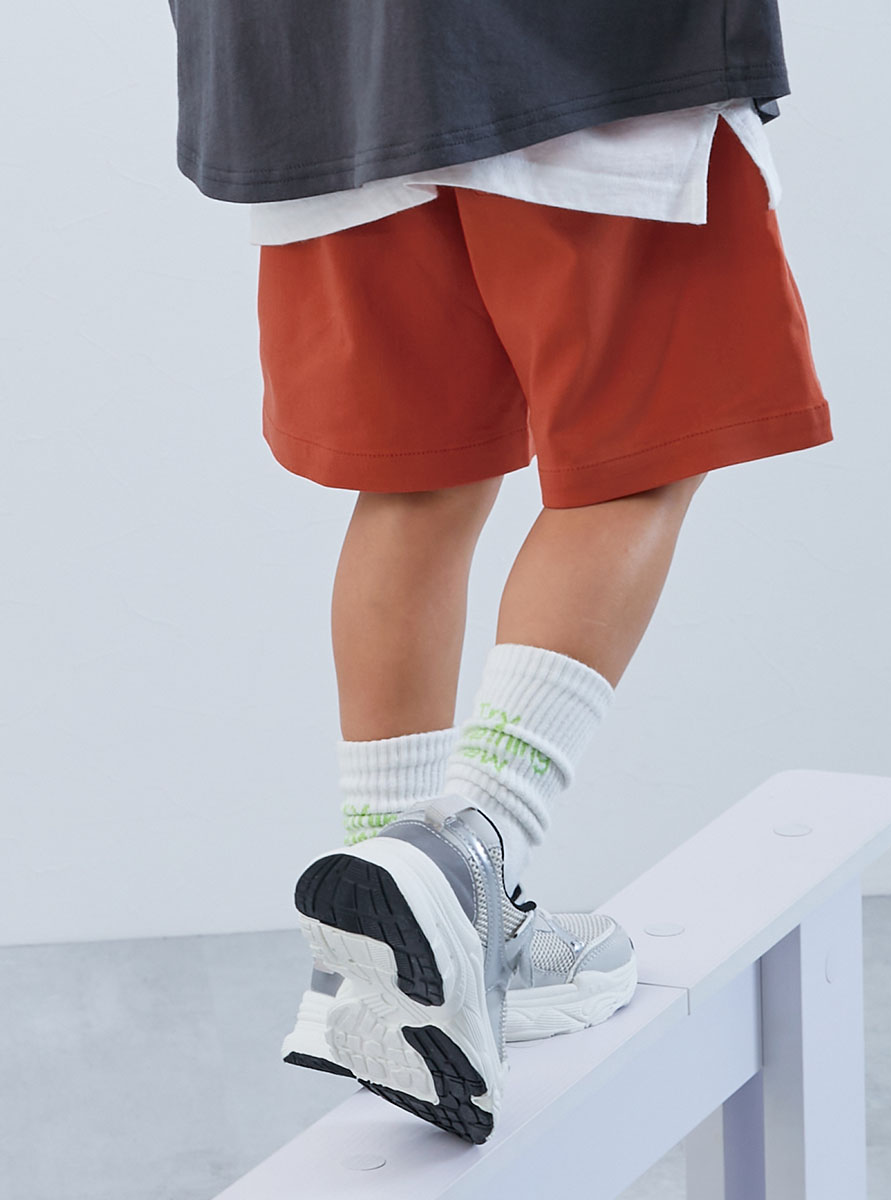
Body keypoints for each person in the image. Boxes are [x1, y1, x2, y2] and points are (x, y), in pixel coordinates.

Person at [167, 1, 833, 1144]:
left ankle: (399, 926)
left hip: (310, 75)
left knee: (419, 484)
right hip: (567, 52)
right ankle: (467, 851)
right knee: (638, 461)